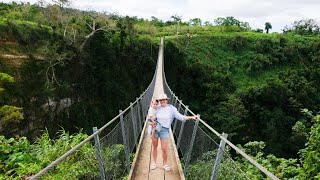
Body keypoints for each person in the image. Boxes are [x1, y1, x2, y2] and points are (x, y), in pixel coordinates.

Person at [149, 93, 199, 171]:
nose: (163, 101)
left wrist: (192, 117)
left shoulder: (171, 109)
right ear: (159, 101)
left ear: (167, 100)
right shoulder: (156, 108)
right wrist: (151, 123)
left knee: (164, 148)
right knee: (155, 147)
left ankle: (165, 164)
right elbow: (150, 117)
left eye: (164, 99)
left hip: (164, 130)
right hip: (155, 129)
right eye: (161, 100)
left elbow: (181, 117)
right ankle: (154, 163)